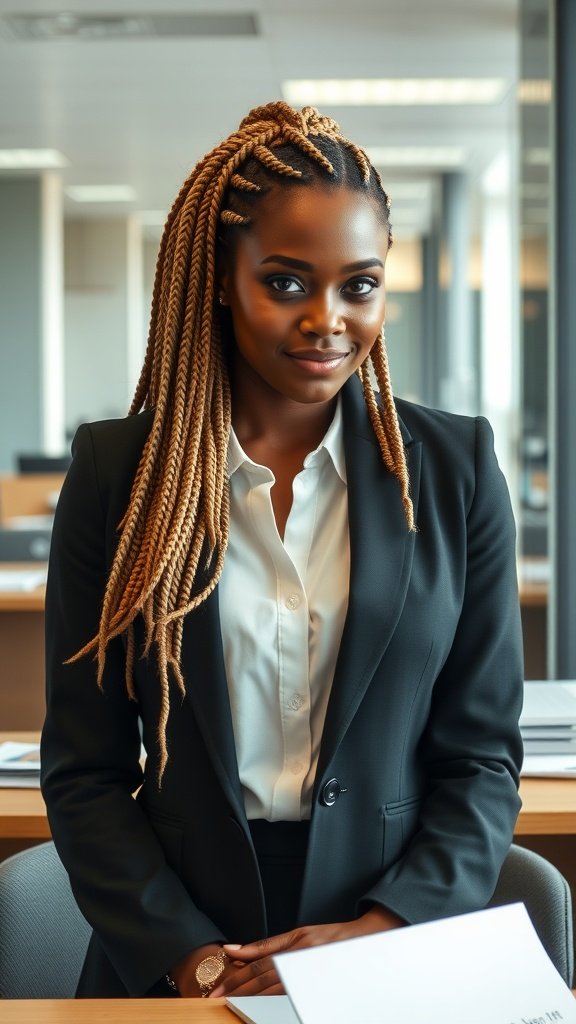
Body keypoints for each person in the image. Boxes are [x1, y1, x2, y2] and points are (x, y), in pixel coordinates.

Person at [40, 101, 524, 999]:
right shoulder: (121, 474)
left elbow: (481, 759)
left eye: (360, 285)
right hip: (178, 952)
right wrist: (199, 961)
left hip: (392, 948)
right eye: (289, 283)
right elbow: (86, 772)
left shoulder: (453, 470)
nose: (329, 321)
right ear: (223, 279)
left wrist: (379, 934)